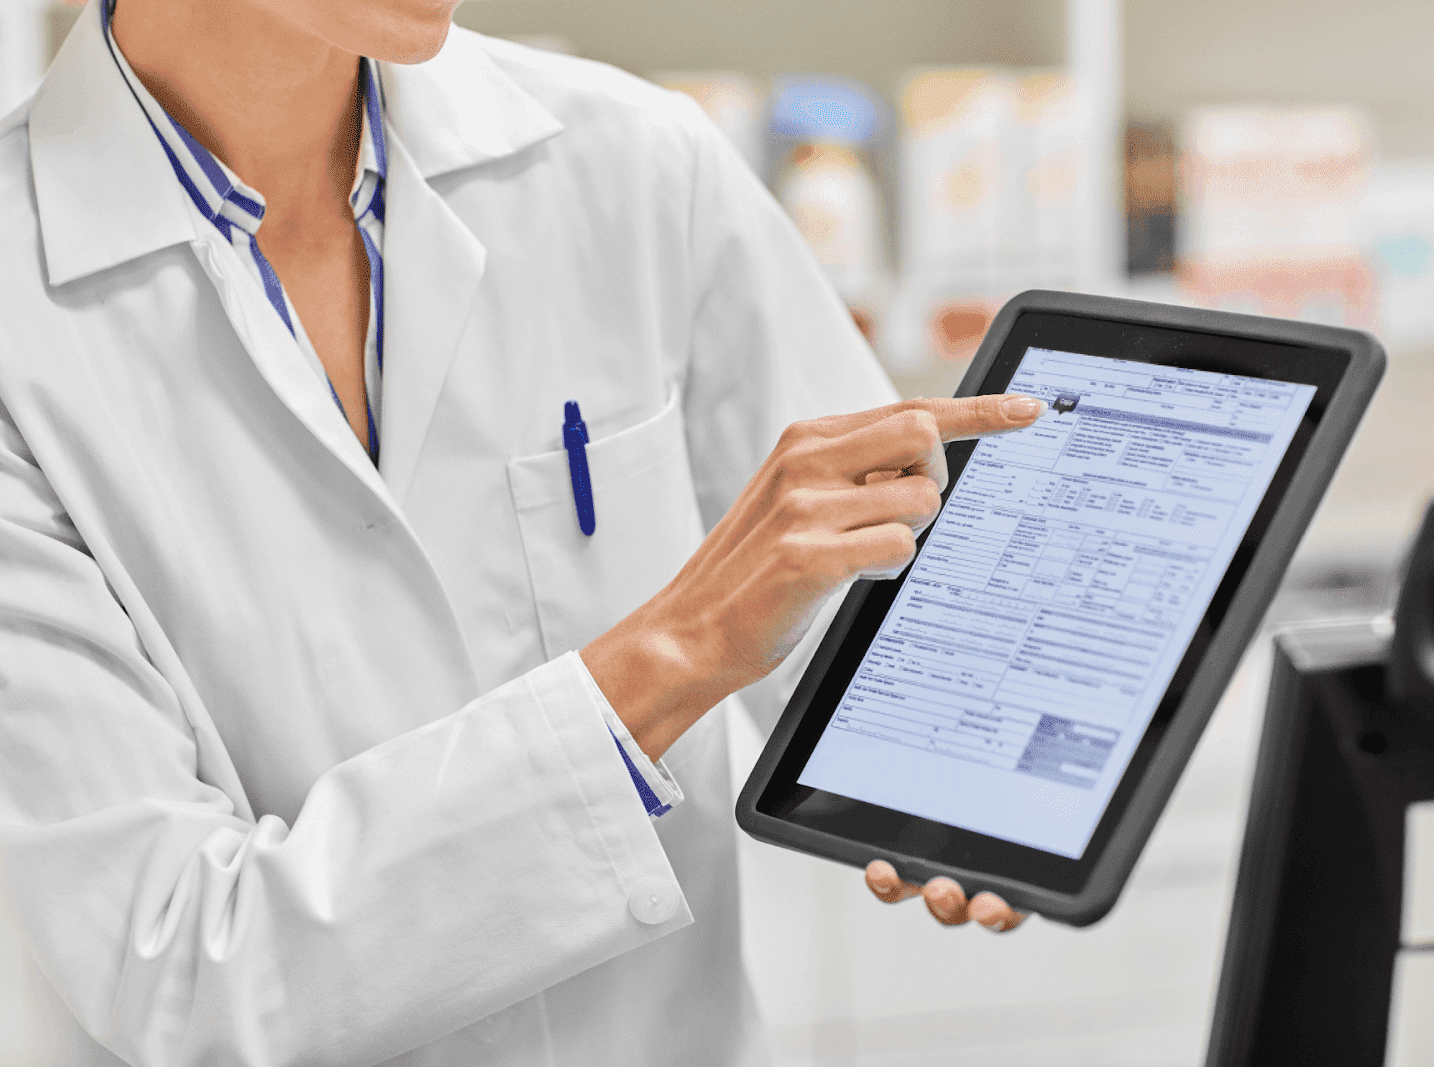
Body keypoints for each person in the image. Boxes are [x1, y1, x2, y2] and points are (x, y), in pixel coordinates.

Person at [0, 0, 1044, 1062]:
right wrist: (671, 656)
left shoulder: (638, 165)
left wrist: (973, 776)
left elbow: (884, 650)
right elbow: (178, 961)